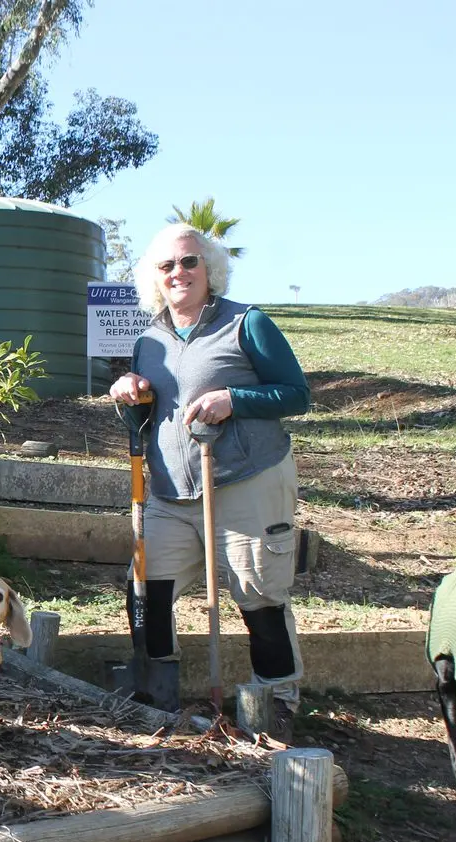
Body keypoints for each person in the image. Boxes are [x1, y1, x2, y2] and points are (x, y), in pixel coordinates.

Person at [109, 223, 310, 739]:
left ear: (210, 268)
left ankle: (276, 704)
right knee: (145, 591)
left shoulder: (246, 323)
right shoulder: (149, 338)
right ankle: (159, 692)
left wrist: (234, 400)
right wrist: (130, 392)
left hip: (245, 481)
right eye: (168, 266)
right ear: (155, 277)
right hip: (170, 491)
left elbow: (295, 394)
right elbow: (150, 416)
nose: (180, 272)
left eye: (190, 262)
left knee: (258, 595)